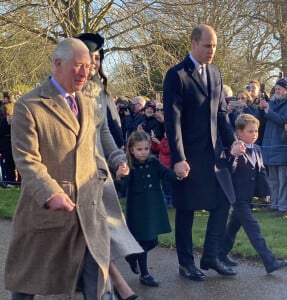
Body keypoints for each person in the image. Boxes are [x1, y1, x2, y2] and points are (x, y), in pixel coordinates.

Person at [5, 38, 112, 300]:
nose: (85, 73)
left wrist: (103, 171)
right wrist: (50, 193)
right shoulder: (29, 106)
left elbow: (92, 148)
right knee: (29, 279)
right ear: (58, 63)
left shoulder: (87, 103)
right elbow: (26, 159)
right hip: (46, 211)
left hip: (87, 209)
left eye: (88, 66)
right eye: (78, 66)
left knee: (93, 277)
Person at [163, 24, 241, 281]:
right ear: (194, 43)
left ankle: (211, 256)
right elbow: (172, 121)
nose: (212, 51)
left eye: (215, 46)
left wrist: (231, 142)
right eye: (207, 45)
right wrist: (178, 158)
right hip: (188, 156)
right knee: (186, 209)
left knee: (223, 201)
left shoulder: (216, 73)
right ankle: (186, 263)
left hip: (215, 155)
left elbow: (221, 114)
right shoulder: (177, 75)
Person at [76, 32, 143, 300]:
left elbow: (103, 133)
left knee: (100, 231)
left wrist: (118, 160)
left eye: (97, 58)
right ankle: (113, 287)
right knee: (94, 232)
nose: (93, 63)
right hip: (78, 174)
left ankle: (105, 286)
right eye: (89, 58)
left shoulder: (97, 92)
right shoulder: (71, 91)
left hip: (99, 171)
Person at [219, 114, 287, 273]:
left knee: (233, 227)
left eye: (256, 131)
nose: (255, 134)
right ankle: (269, 261)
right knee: (253, 227)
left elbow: (261, 171)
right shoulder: (235, 148)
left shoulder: (257, 148)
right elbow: (230, 169)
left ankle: (221, 253)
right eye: (250, 131)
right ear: (239, 132)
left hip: (248, 196)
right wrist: (234, 155)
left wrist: (265, 192)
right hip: (237, 197)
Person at [119, 131, 184, 287]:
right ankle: (145, 274)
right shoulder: (129, 166)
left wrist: (179, 175)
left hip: (154, 206)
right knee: (143, 240)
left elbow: (166, 174)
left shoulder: (154, 162)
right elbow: (122, 186)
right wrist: (121, 176)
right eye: (140, 149)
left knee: (153, 240)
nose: (143, 152)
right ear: (132, 150)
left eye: (146, 148)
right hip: (138, 210)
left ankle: (132, 256)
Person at [257, 78, 287, 217]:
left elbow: (284, 120)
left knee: (283, 180)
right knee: (272, 179)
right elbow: (260, 120)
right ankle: (274, 205)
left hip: (282, 145)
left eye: (280, 89)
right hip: (269, 145)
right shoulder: (272, 102)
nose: (277, 91)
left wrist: (269, 111)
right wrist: (261, 109)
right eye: (276, 88)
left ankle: (283, 207)